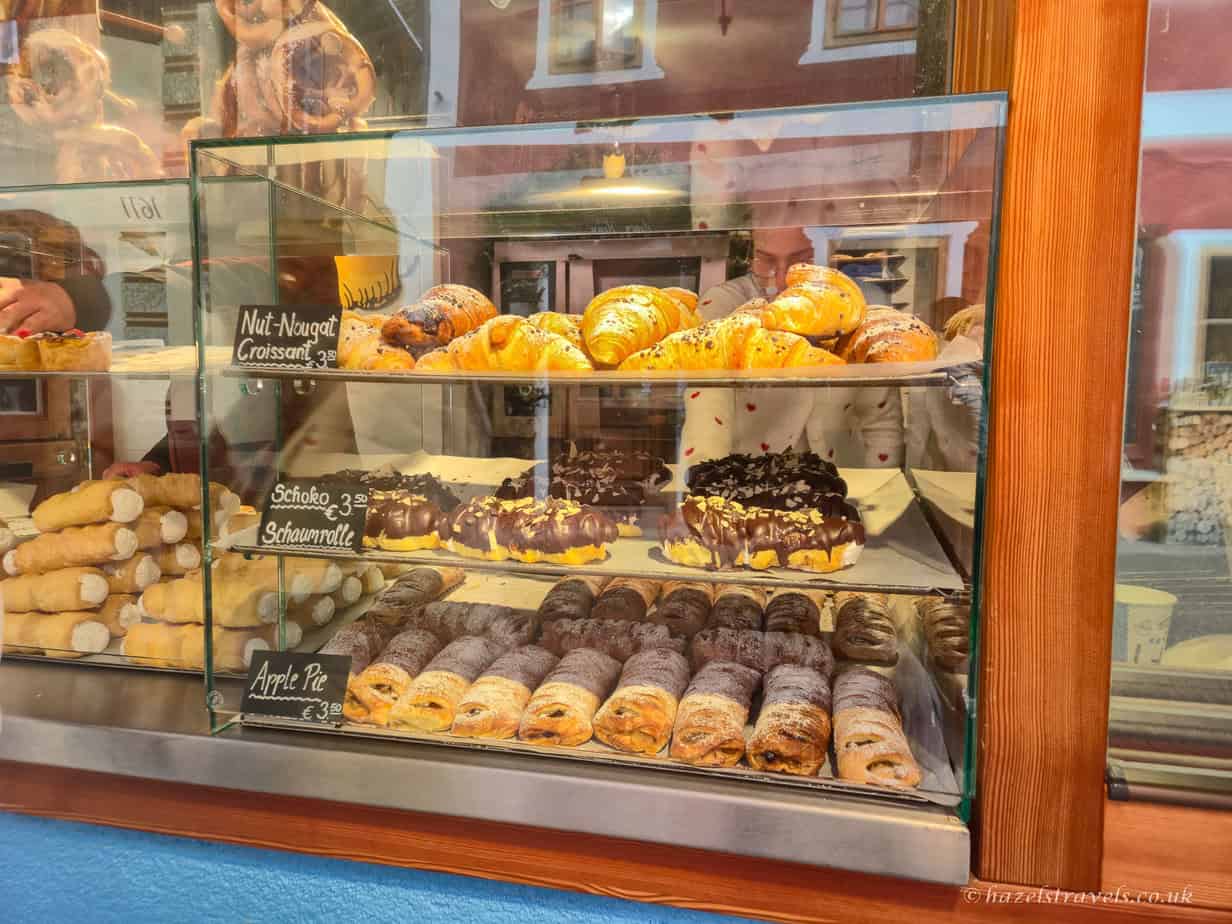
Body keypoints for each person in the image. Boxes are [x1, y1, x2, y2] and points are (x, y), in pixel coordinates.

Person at [679, 226, 905, 471]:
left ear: (833, 250)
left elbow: (881, 421)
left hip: (843, 483)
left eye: (803, 261)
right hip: (747, 485)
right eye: (765, 261)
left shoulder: (856, 307)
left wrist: (879, 498)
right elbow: (706, 412)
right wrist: (705, 491)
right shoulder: (724, 305)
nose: (781, 279)